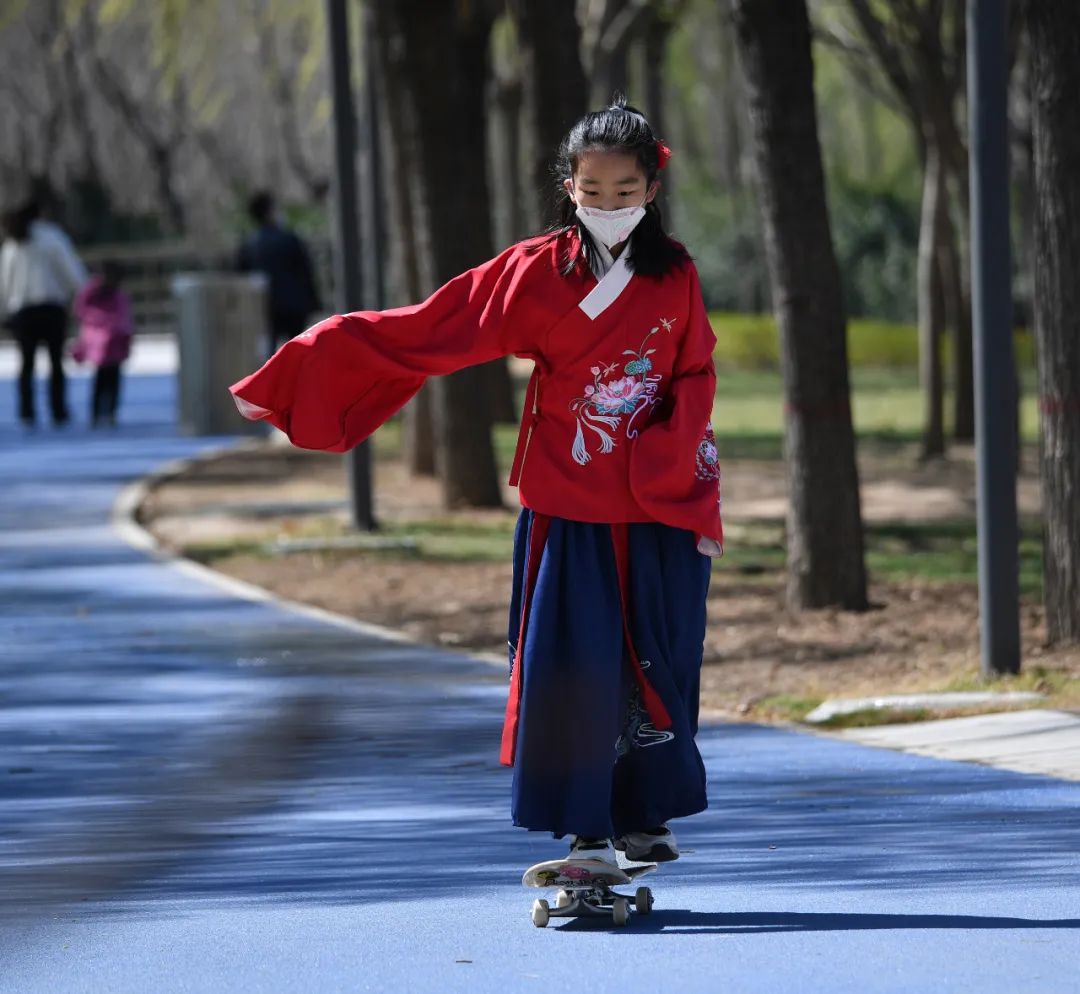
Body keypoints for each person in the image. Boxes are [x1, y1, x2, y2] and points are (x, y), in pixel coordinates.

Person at [230, 100, 723, 868]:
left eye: (624, 192)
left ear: (651, 190)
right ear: (568, 186)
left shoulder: (677, 275)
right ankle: (586, 830)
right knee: (573, 663)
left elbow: (694, 372)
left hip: (657, 495)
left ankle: (645, 814)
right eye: (591, 192)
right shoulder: (534, 271)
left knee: (660, 657)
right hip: (572, 500)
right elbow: (437, 327)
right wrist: (322, 352)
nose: (607, 207)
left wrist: (667, 457)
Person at [0, 200, 88, 428]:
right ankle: (58, 410)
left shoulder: (13, 243)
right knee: (55, 362)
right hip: (51, 307)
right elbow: (71, 270)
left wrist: (4, 309)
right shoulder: (52, 238)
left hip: (22, 310)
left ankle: (26, 411)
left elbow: (4, 281)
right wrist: (82, 293)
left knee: (26, 363)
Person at [237, 191, 321, 356]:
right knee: (297, 351)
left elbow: (242, 278)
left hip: (265, 307)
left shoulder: (249, 245)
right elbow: (305, 272)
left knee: (269, 353)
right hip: (294, 307)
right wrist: (314, 302)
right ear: (270, 212)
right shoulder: (289, 239)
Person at [71, 260, 133, 428]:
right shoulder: (91, 293)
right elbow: (81, 311)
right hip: (100, 345)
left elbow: (125, 320)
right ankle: (96, 413)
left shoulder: (119, 296)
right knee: (100, 382)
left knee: (113, 382)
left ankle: (111, 412)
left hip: (116, 345)